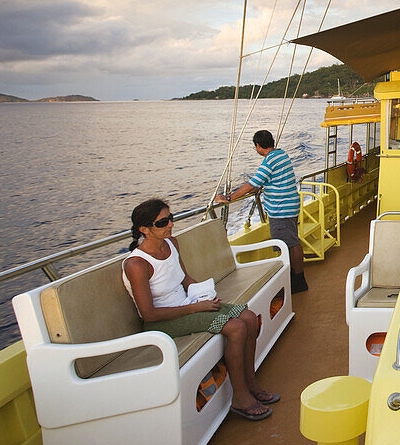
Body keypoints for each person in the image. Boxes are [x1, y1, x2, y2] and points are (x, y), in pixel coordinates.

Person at [123, 198, 278, 421]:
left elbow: (185, 279)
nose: (170, 225)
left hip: (189, 305)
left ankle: (251, 383)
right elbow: (149, 314)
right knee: (236, 328)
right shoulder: (137, 264)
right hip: (162, 321)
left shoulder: (171, 244)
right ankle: (241, 398)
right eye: (162, 222)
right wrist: (197, 307)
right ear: (144, 230)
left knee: (249, 318)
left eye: (171, 218)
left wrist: (203, 294)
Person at [215, 130, 307, 293]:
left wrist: (229, 197)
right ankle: (296, 278)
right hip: (291, 206)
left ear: (258, 146)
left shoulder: (269, 162)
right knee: (293, 243)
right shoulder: (282, 155)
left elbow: (253, 184)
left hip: (281, 210)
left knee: (289, 245)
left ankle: (297, 281)